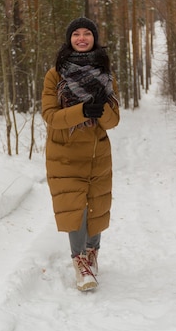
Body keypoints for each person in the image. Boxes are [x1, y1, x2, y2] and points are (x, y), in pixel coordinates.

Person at [41, 17, 120, 291]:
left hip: (97, 151)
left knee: (95, 204)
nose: (82, 38)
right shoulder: (55, 74)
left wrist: (102, 110)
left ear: (95, 39)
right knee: (76, 208)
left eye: (88, 33)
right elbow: (50, 116)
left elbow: (113, 121)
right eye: (77, 34)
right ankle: (80, 262)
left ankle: (93, 252)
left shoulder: (106, 74)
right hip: (64, 151)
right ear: (69, 39)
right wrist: (82, 111)